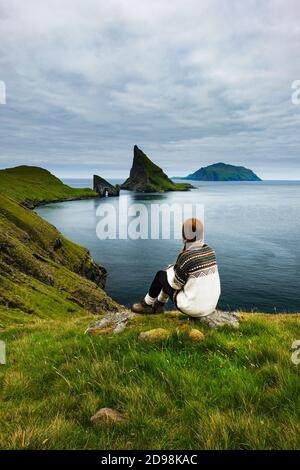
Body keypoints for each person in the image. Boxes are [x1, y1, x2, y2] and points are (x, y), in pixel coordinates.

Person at [131, 218, 221, 317]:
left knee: (161, 275)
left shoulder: (186, 256)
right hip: (210, 306)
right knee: (168, 276)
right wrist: (174, 268)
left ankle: (146, 304)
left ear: (184, 235)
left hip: (193, 309)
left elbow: (176, 285)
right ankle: (159, 305)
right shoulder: (211, 251)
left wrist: (170, 270)